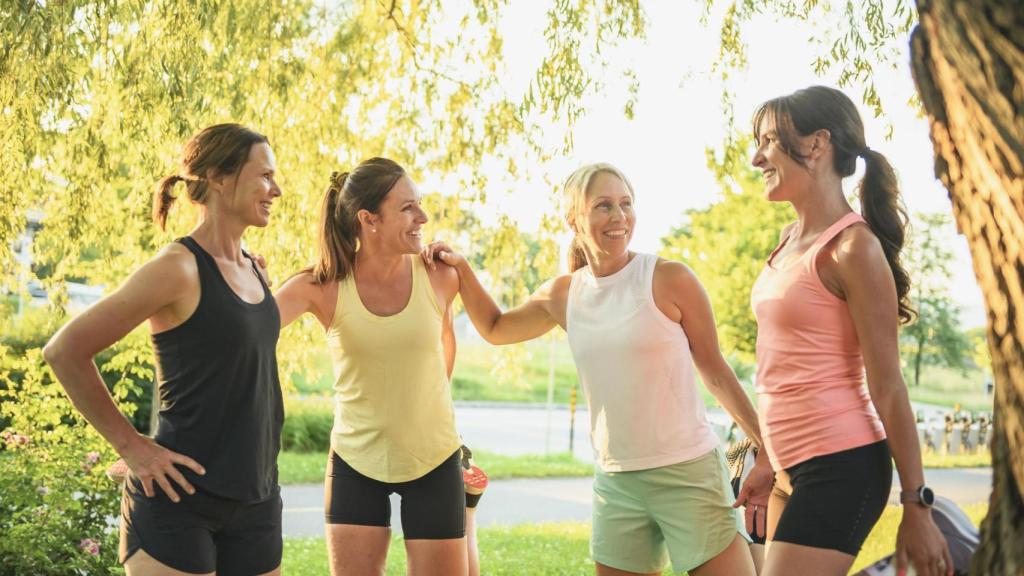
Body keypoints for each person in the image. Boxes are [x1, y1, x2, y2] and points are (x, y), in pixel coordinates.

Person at [424, 162, 773, 576]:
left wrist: (766, 448)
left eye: (626, 204)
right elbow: (496, 328)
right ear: (573, 219)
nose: (619, 217)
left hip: (690, 472)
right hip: (617, 482)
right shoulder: (564, 294)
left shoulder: (669, 279)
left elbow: (715, 373)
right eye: (603, 206)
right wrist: (462, 269)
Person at [44, 123, 285, 576]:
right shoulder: (177, 268)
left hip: (257, 499)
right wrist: (132, 446)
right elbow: (65, 350)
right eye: (265, 176)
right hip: (178, 501)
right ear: (217, 177)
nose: (277, 189)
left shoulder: (253, 268)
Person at [748, 85, 953, 576]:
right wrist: (764, 456)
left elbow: (887, 385)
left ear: (817, 145)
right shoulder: (789, 240)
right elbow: (781, 365)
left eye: (770, 141)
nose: (756, 158)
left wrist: (917, 506)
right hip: (787, 466)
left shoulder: (853, 249)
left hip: (841, 463)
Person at [273, 158, 473, 576]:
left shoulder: (439, 275)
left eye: (420, 204)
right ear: (369, 219)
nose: (422, 217)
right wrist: (240, 276)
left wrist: (423, 407)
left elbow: (445, 342)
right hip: (355, 461)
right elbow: (244, 331)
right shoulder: (323, 285)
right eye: (407, 208)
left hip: (434, 459)